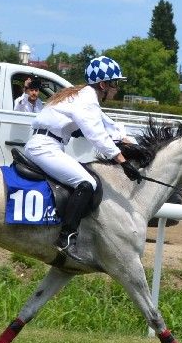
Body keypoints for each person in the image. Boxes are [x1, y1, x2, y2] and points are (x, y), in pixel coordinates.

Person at [23, 55, 140, 262]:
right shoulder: (86, 99)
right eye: (115, 84)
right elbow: (97, 136)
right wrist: (122, 161)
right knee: (87, 183)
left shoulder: (83, 95)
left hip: (48, 144)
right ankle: (65, 238)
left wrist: (130, 143)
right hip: (45, 147)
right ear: (103, 84)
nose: (116, 89)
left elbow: (108, 126)